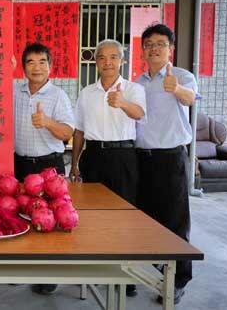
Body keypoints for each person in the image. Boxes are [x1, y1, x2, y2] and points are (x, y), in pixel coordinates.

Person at [69, 39, 146, 298]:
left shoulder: (133, 89)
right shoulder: (86, 92)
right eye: (102, 57)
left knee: (124, 216)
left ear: (122, 61)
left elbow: (139, 114)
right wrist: (75, 164)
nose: (108, 62)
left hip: (123, 155)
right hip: (93, 156)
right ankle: (96, 267)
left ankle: (128, 276)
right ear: (96, 61)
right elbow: (79, 130)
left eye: (114, 57)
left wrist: (122, 102)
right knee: (93, 215)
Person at [135, 24, 197, 305]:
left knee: (176, 221)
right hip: (141, 159)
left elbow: (190, 98)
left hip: (171, 157)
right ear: (143, 49)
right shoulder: (137, 82)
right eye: (149, 44)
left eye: (160, 43)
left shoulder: (182, 77)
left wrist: (177, 89)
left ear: (170, 48)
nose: (154, 48)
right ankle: (157, 268)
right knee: (146, 218)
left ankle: (179, 280)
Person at [13, 43, 75, 295]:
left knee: (49, 221)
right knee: (18, 218)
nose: (36, 67)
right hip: (19, 164)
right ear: (23, 66)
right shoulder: (15, 92)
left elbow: (68, 132)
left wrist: (47, 122)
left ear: (50, 66)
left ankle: (48, 274)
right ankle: (19, 269)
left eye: (42, 62)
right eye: (31, 62)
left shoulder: (58, 95)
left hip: (48, 167)